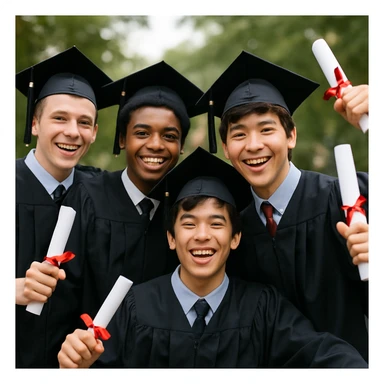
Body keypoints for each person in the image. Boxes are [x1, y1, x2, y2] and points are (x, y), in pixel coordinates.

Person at [57, 149, 367, 368]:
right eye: (188, 224)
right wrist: (75, 364)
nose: (202, 235)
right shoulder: (133, 308)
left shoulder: (264, 307)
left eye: (216, 223)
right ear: (170, 237)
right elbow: (92, 364)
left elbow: (318, 352)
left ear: (236, 238)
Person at [194, 50, 369, 361]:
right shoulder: (234, 233)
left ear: (291, 136)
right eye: (239, 134)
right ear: (226, 148)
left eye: (266, 129)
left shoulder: (351, 197)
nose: (253, 145)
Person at [33, 61, 204, 366]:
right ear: (123, 139)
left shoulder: (186, 213)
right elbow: (59, 301)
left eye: (169, 136)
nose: (155, 144)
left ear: (180, 146)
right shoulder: (86, 198)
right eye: (142, 132)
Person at [15, 46, 113, 368]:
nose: (73, 131)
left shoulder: (101, 196)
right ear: (35, 124)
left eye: (84, 122)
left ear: (95, 132)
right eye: (60, 118)